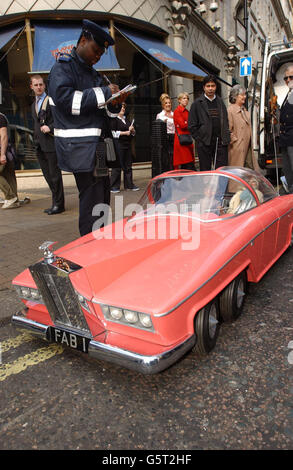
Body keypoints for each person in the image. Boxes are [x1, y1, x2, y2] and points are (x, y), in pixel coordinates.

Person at [48, 20, 125, 236]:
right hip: (80, 148)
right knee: (91, 201)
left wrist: (116, 100)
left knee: (101, 198)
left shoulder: (94, 74)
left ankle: (98, 241)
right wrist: (105, 93)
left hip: (98, 147)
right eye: (96, 50)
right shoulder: (62, 68)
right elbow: (66, 101)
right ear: (83, 40)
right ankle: (89, 249)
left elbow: (105, 112)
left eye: (101, 53)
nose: (98, 56)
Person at [30, 74, 65, 215]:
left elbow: (62, 119)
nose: (39, 87)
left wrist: (50, 127)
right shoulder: (34, 104)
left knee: (55, 176)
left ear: (45, 85)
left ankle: (59, 205)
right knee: (47, 176)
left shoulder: (50, 100)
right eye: (36, 85)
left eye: (41, 84)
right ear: (31, 87)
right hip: (39, 145)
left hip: (51, 144)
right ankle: (55, 202)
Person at [188, 74, 230, 170]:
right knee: (205, 171)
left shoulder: (220, 102)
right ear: (204, 87)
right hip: (204, 143)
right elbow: (191, 125)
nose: (210, 89)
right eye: (208, 86)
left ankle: (219, 186)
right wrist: (200, 139)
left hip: (220, 142)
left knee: (221, 171)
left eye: (213, 86)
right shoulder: (197, 103)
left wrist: (226, 136)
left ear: (216, 87)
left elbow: (226, 121)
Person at [110, 103, 139, 193]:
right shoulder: (114, 120)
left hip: (127, 145)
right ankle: (114, 186)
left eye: (123, 107)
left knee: (128, 166)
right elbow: (113, 133)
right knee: (117, 165)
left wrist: (133, 131)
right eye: (121, 107)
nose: (123, 108)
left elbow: (132, 134)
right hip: (118, 144)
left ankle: (129, 185)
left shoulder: (127, 120)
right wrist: (125, 133)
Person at [227, 85, 257, 169]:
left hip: (247, 147)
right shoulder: (230, 110)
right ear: (235, 96)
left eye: (245, 94)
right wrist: (235, 141)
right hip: (237, 148)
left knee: (249, 171)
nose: (245, 96)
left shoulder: (245, 110)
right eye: (242, 95)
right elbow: (228, 130)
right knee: (238, 172)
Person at [0, 113, 20, 209]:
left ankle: (10, 197)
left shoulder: (0, 117)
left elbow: (4, 136)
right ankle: (15, 200)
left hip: (2, 151)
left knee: (8, 175)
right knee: (8, 175)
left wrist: (2, 154)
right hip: (6, 152)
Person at [279, 65, 293, 193]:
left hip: (291, 138)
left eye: (291, 77)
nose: (288, 80)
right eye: (286, 78)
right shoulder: (289, 93)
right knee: (288, 171)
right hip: (286, 139)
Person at [173, 92, 195, 170]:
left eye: (187, 98)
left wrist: (187, 123)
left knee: (188, 164)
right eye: (184, 98)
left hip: (187, 139)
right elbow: (182, 125)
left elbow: (189, 124)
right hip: (181, 140)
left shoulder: (187, 111)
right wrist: (188, 123)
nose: (186, 100)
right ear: (179, 100)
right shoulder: (177, 111)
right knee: (186, 163)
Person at [156, 93, 175, 168]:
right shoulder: (160, 115)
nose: (168, 104)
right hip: (165, 139)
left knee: (174, 158)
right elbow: (158, 130)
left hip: (175, 137)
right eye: (166, 103)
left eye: (169, 103)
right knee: (167, 159)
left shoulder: (174, 114)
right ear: (163, 105)